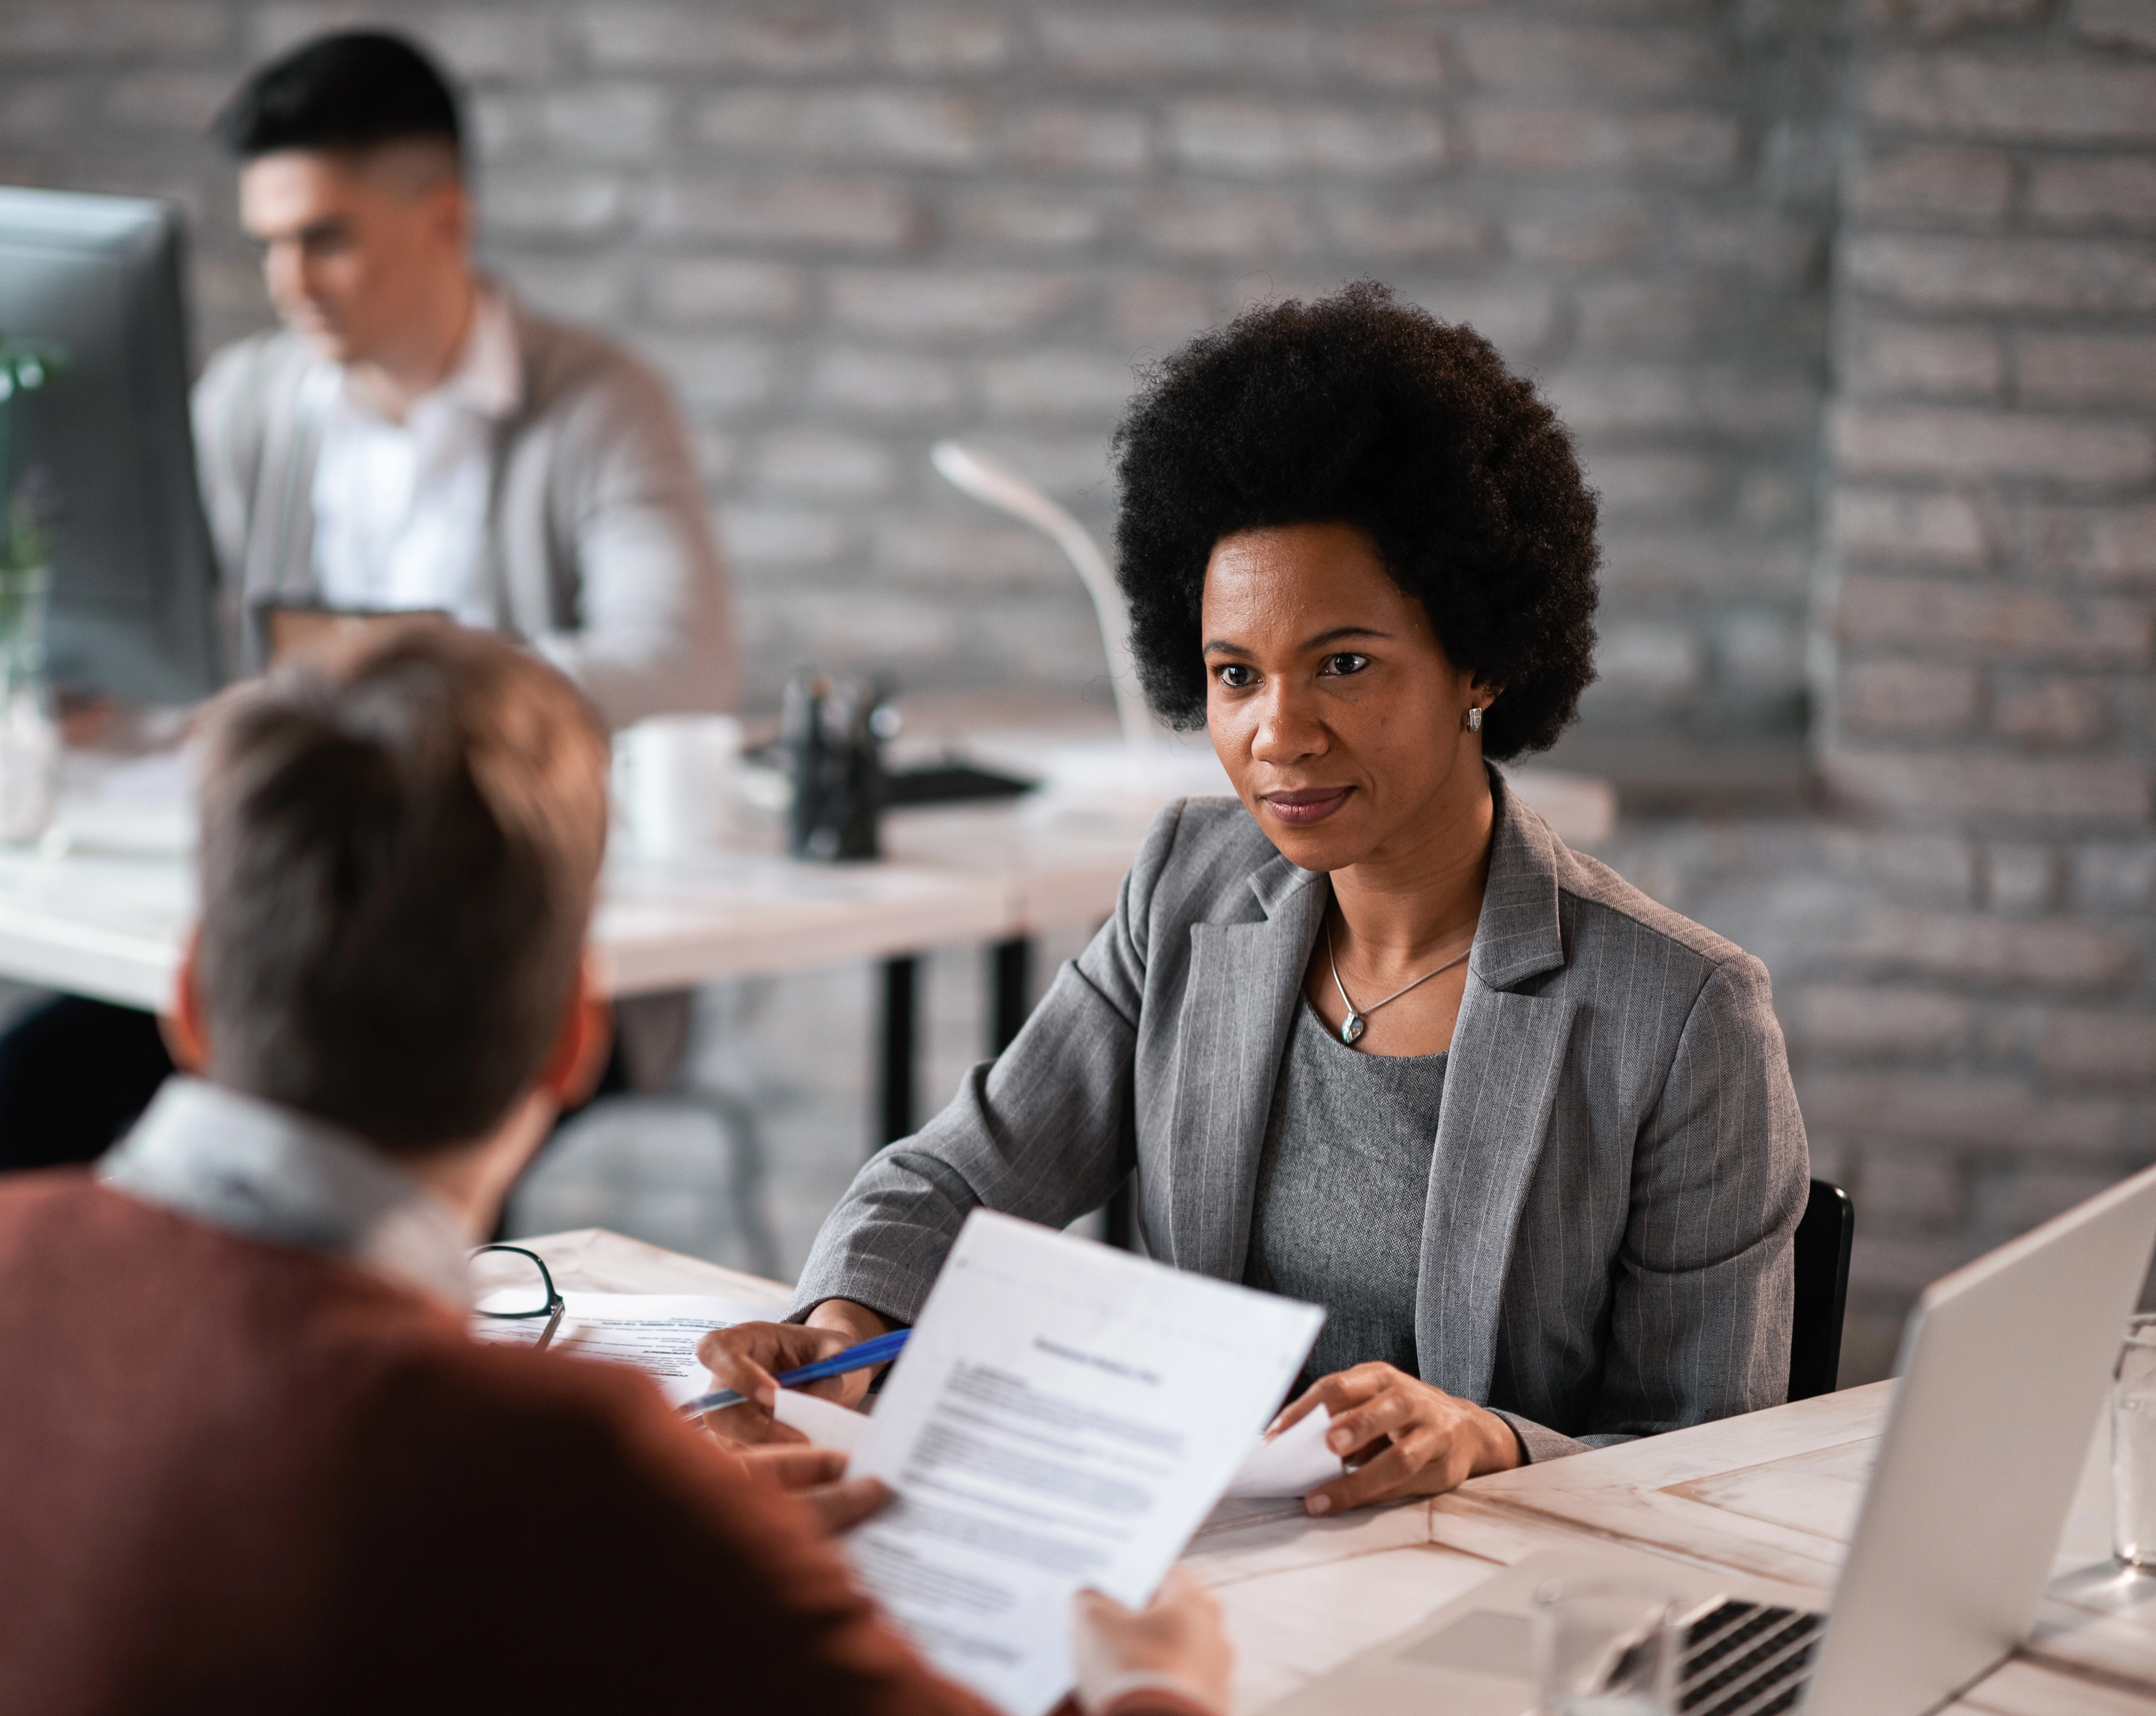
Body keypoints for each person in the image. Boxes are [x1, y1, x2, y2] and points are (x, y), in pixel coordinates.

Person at [0, 629, 1267, 1716]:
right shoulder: (547, 1475)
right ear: (571, 1044)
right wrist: (1165, 1693)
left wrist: (660, 1546)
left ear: (194, 995)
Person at [702, 284, 1808, 1507]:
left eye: (1344, 664)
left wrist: (1495, 1443)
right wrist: (845, 1317)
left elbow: (1716, 1461)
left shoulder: (1682, 1017)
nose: (1278, 734)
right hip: (1183, 1565)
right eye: (1237, 674)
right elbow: (959, 1178)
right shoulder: (1189, 888)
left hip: (1475, 1614)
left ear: (1481, 661)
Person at [0, 28, 733, 1173]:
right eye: (271, 243)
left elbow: (677, 661)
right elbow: (174, 646)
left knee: (327, 1132)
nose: (288, 283)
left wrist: (369, 691)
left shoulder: (601, 407)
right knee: (24, 1087)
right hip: (287, 930)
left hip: (506, 942)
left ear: (444, 218)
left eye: (324, 240)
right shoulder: (248, 403)